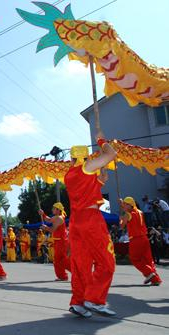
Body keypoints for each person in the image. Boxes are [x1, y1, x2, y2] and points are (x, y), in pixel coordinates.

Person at [64, 133, 117, 318]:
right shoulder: (85, 167)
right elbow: (111, 154)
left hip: (76, 221)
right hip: (90, 218)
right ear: (85, 157)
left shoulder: (69, 174)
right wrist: (102, 141)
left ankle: (79, 302)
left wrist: (100, 180)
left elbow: (88, 188)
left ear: (71, 158)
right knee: (107, 262)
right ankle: (94, 299)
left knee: (81, 265)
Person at [119, 197, 162, 285]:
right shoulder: (140, 212)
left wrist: (121, 218)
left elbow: (122, 226)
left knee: (135, 259)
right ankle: (156, 279)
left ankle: (149, 273)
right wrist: (122, 206)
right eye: (124, 204)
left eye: (126, 204)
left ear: (131, 205)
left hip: (135, 239)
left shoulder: (128, 214)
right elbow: (129, 212)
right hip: (144, 239)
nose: (125, 206)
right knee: (148, 260)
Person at [39, 202, 71, 281]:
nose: (52, 209)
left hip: (61, 242)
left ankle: (72, 274)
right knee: (58, 260)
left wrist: (45, 228)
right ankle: (63, 276)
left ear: (58, 210)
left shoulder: (59, 218)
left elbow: (52, 229)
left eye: (54, 208)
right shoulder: (56, 217)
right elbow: (48, 220)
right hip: (58, 241)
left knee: (61, 261)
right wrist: (43, 214)